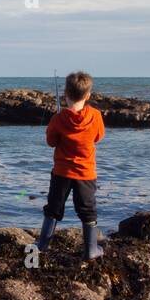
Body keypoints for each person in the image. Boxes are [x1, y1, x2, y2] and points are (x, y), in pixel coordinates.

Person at [37, 70, 106, 259]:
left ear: (65, 95)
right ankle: (91, 249)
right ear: (88, 95)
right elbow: (99, 136)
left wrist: (54, 128)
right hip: (86, 173)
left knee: (54, 207)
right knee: (87, 210)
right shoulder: (96, 115)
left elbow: (51, 142)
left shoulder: (58, 119)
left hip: (62, 172)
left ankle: (43, 245)